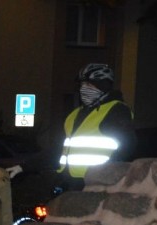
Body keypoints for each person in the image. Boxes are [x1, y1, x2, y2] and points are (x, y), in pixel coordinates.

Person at [56, 63, 135, 192]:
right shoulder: (76, 114)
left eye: (89, 85)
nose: (83, 89)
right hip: (69, 181)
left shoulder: (116, 110)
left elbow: (127, 145)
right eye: (82, 85)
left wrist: (105, 173)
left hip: (96, 183)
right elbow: (59, 148)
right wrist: (25, 166)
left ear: (102, 86)